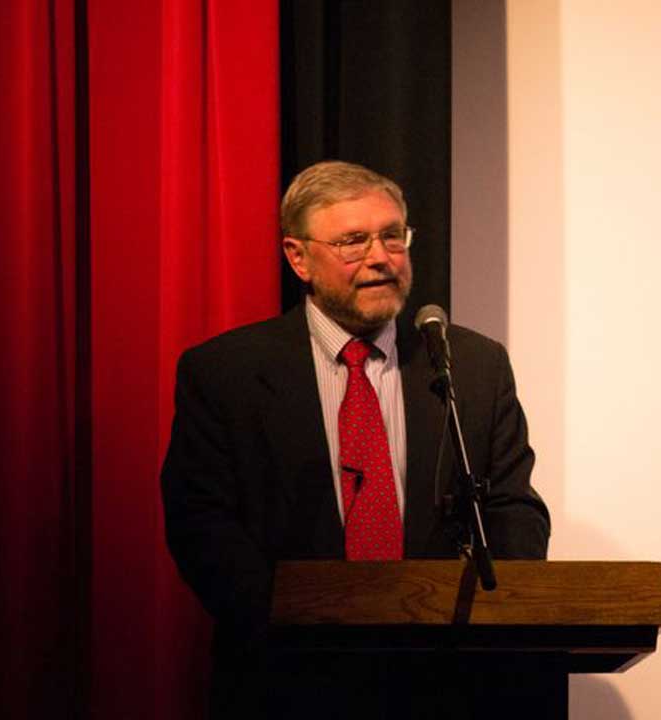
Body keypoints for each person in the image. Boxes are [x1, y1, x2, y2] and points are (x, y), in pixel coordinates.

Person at [161, 160, 550, 717]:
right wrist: (291, 625)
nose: (379, 258)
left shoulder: (472, 364)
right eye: (353, 241)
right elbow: (202, 523)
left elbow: (514, 506)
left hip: (451, 680)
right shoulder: (226, 373)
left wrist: (503, 618)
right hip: (286, 682)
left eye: (393, 236)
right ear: (298, 257)